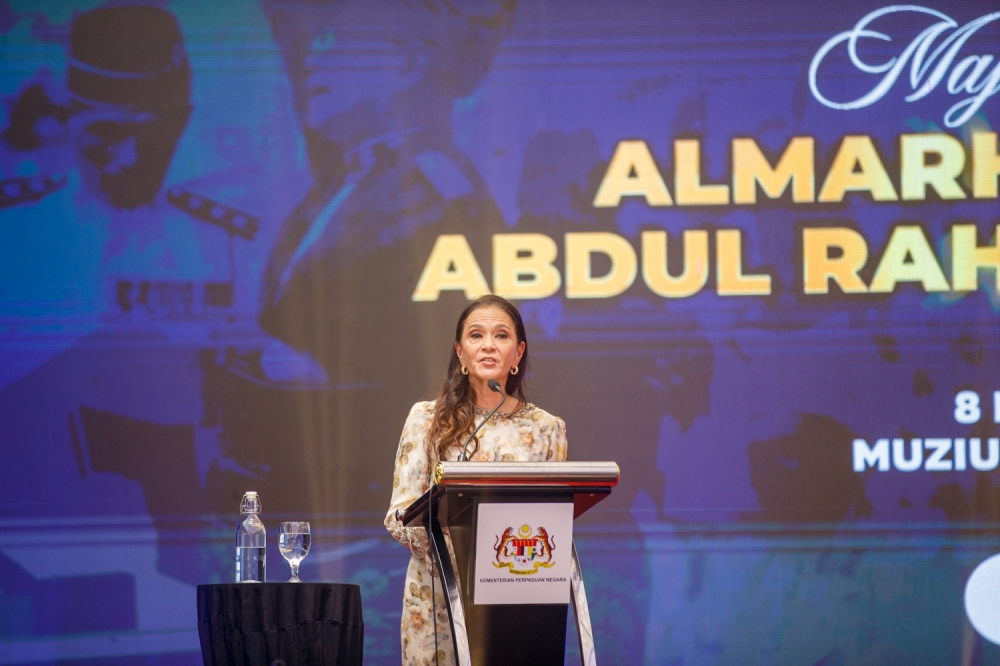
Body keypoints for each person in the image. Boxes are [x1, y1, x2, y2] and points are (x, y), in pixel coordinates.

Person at [384, 295, 568, 665]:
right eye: (476, 335)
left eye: (501, 336)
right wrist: (464, 560)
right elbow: (400, 514)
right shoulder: (427, 419)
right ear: (460, 352)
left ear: (517, 354)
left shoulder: (547, 429)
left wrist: (494, 566)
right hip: (438, 594)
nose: (488, 345)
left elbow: (553, 525)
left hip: (515, 597)